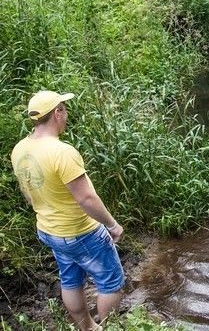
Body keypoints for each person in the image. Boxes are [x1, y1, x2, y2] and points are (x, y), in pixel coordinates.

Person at [11, 91, 125, 331]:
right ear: (57, 113)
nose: (66, 114)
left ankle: (88, 328)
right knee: (111, 282)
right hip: (81, 231)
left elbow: (28, 191)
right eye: (64, 109)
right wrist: (112, 225)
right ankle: (109, 328)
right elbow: (86, 198)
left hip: (50, 230)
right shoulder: (62, 152)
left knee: (71, 279)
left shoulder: (20, 149)